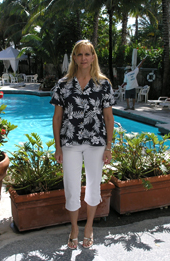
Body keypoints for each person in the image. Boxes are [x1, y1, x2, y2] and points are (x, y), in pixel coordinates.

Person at [50, 40, 115, 249]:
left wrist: (108, 147)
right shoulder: (63, 84)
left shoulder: (103, 84)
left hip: (96, 143)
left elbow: (109, 117)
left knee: (94, 185)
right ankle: (74, 228)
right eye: (79, 54)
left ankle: (88, 227)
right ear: (74, 58)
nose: (83, 58)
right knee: (71, 186)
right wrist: (58, 147)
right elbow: (57, 118)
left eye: (87, 54)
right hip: (70, 142)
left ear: (93, 57)